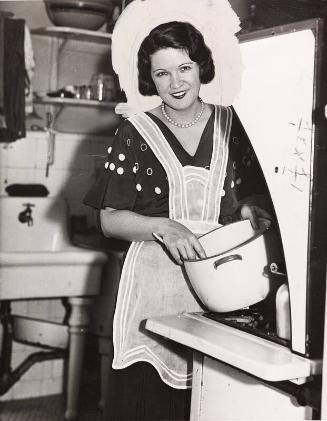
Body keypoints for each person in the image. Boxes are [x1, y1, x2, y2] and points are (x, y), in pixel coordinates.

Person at [84, 0, 272, 419]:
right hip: (155, 294)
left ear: (201, 66)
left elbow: (252, 199)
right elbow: (108, 218)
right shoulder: (136, 130)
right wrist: (164, 228)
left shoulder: (233, 126)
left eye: (184, 68)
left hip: (226, 291)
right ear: (150, 79)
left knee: (213, 399)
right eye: (162, 72)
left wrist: (251, 212)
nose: (175, 82)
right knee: (151, 405)